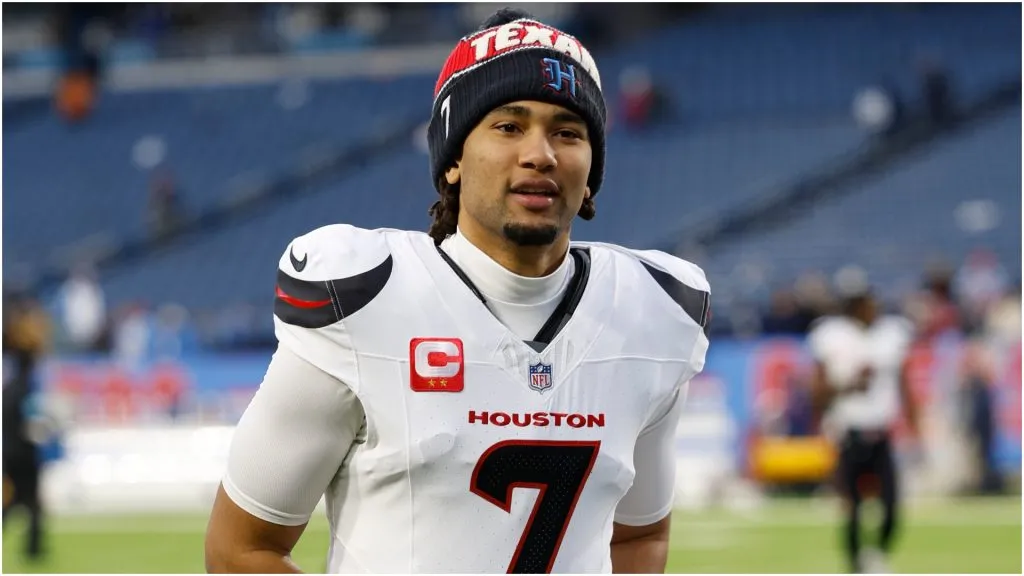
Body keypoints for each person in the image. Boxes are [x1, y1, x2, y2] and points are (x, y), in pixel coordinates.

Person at [205, 8, 711, 574]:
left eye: (568, 132)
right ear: (453, 161)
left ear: (591, 168)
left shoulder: (652, 313)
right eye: (508, 126)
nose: (540, 154)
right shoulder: (367, 298)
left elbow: (639, 537)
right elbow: (240, 549)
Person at [809, 287, 920, 574]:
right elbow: (817, 393)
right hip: (849, 434)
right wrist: (849, 385)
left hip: (882, 433)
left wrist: (914, 426)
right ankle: (855, 566)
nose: (874, 310)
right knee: (853, 508)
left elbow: (904, 384)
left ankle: (876, 555)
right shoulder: (832, 336)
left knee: (891, 505)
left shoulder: (891, 334)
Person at [2, 289, 53, 562]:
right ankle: (34, 549)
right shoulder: (23, 378)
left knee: (15, 498)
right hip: (21, 445)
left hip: (11, 443)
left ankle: (34, 547)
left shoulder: (14, 379)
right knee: (28, 499)